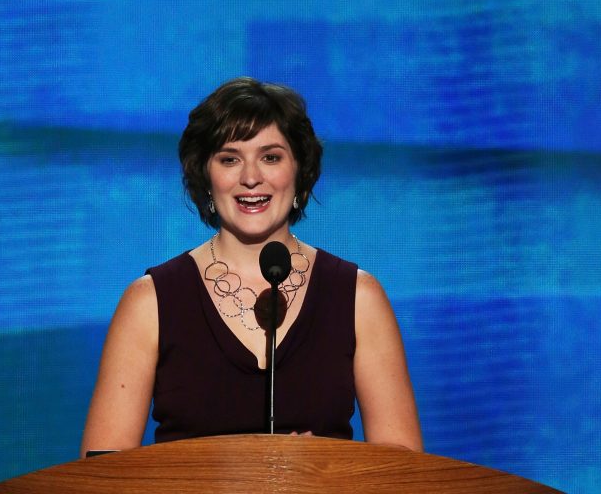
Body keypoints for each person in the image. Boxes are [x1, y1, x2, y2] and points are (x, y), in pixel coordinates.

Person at [80, 77, 422, 456]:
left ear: (300, 173)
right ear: (206, 178)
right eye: (230, 159)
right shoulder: (150, 302)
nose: (250, 177)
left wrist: (327, 466)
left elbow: (402, 465)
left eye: (271, 157)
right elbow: (101, 471)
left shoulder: (359, 297)